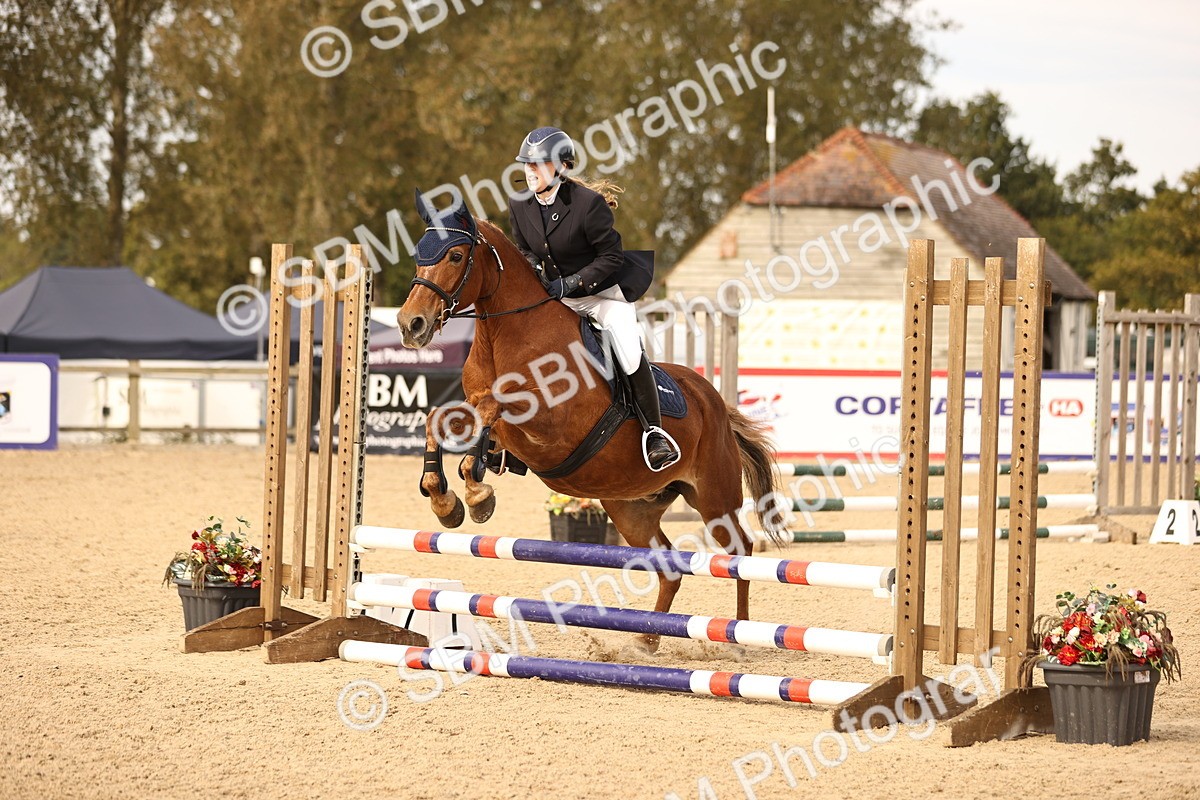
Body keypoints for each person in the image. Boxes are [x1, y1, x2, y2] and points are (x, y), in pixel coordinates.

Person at [507, 126, 680, 472]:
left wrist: (572, 282)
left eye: (539, 164)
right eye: (527, 164)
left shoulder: (588, 205)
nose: (530, 171)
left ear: (561, 167)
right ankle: (512, 441)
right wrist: (535, 270)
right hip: (557, 297)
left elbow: (611, 257)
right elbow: (524, 249)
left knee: (628, 350)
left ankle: (654, 433)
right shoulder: (519, 203)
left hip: (602, 295)